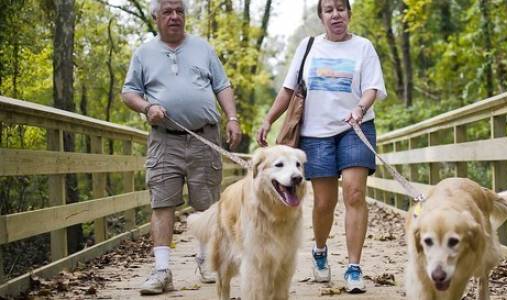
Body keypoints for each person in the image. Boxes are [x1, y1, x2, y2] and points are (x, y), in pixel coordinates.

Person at [257, 0, 386, 294]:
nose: (335, 14)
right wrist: (268, 120)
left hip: (355, 127)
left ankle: (354, 266)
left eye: (340, 8)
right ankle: (320, 250)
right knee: (324, 203)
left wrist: (360, 109)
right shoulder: (308, 47)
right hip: (315, 133)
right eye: (328, 9)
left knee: (354, 193)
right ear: (322, 17)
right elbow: (289, 89)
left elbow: (372, 88)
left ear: (349, 14)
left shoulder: (363, 47)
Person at [120, 0, 241, 295]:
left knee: (207, 203)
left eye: (180, 11)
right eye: (168, 12)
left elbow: (222, 86)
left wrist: (233, 118)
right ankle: (162, 272)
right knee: (162, 202)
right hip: (164, 140)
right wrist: (147, 107)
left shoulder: (203, 48)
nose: (175, 17)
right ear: (156, 17)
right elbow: (128, 92)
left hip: (204, 138)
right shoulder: (144, 53)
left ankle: (205, 260)